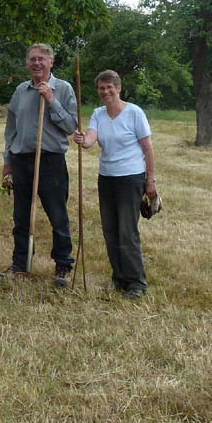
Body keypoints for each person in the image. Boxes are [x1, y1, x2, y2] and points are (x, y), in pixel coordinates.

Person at [73, 70, 158, 299]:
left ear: (119, 88)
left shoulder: (134, 113)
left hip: (131, 178)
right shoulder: (99, 114)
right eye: (101, 88)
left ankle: (136, 282)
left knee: (126, 231)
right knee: (110, 230)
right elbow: (91, 139)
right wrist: (82, 139)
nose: (106, 91)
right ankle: (119, 278)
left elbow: (148, 147)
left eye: (110, 87)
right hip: (107, 178)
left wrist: (150, 180)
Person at [0, 43, 78, 285]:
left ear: (51, 62)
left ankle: (63, 265)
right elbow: (11, 130)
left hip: (51, 161)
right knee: (21, 216)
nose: (36, 63)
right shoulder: (20, 91)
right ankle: (21, 263)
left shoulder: (63, 89)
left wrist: (51, 99)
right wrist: (8, 162)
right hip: (22, 160)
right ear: (27, 63)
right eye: (32, 59)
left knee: (58, 215)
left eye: (41, 59)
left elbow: (71, 126)